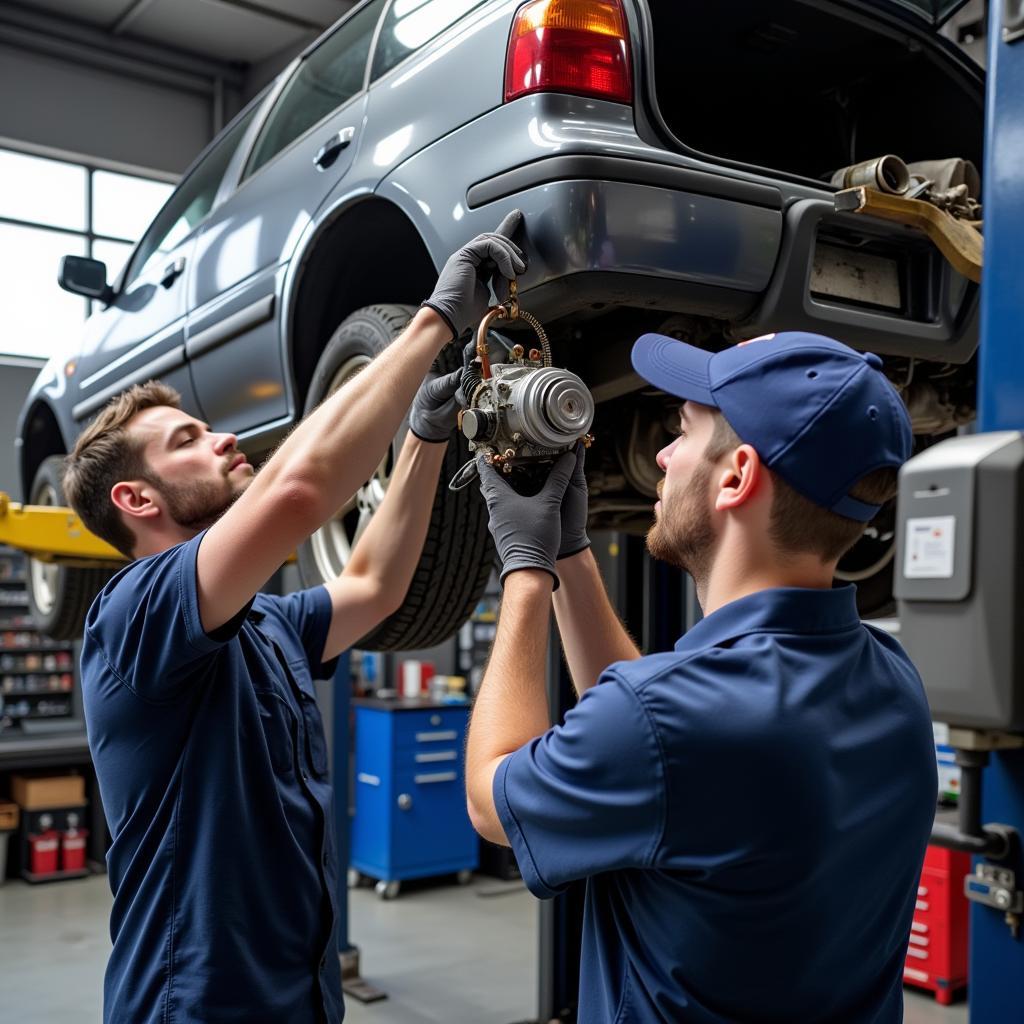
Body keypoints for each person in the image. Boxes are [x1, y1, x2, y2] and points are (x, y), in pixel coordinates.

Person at [63, 212, 526, 1024]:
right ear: (135, 500)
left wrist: (421, 437)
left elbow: (377, 586)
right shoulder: (132, 616)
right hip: (195, 1006)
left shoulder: (266, 623)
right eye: (190, 441)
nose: (226, 439)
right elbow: (300, 494)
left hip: (298, 997)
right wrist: (431, 322)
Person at [465, 330, 937, 1023]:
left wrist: (526, 573)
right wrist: (570, 555)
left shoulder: (665, 718)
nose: (661, 455)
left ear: (737, 476)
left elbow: (490, 799)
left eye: (681, 431)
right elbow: (659, 762)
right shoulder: (894, 682)